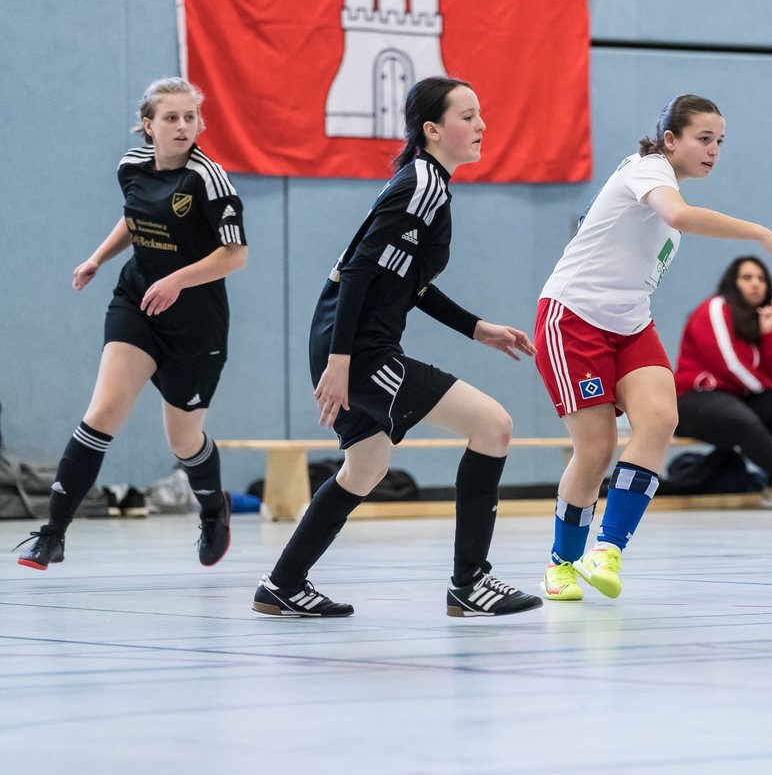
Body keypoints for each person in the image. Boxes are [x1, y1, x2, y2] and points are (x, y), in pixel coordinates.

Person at [252, 76, 541, 619]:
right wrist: (340, 365)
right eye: (467, 116)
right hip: (357, 350)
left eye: (482, 115)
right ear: (432, 130)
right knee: (493, 426)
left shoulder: (426, 184)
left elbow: (407, 281)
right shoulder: (422, 187)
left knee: (365, 467)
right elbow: (360, 269)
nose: (481, 125)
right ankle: (470, 584)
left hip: (344, 341)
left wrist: (477, 328)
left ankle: (283, 584)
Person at [534, 94, 772, 602]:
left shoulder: (664, 188)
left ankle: (606, 550)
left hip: (631, 324)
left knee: (659, 421)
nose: (714, 150)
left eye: (720, 141)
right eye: (704, 139)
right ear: (670, 140)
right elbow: (678, 217)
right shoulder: (647, 169)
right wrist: (761, 233)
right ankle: (561, 562)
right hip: (574, 319)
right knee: (596, 451)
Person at [15, 77, 246, 570]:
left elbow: (235, 255)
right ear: (149, 126)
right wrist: (98, 257)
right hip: (137, 300)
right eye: (171, 118)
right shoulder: (131, 167)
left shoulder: (210, 180)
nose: (183, 126)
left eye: (190, 117)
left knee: (183, 441)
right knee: (102, 413)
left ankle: (213, 511)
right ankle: (52, 534)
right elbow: (135, 218)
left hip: (195, 322)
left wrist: (179, 281)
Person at [672, 256, 772, 510]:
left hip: (737, 399)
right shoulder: (716, 308)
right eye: (747, 278)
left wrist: (770, 334)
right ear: (733, 283)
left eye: (761, 278)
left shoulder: (763, 318)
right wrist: (768, 386)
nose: (756, 284)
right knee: (741, 417)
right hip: (693, 400)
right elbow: (730, 363)